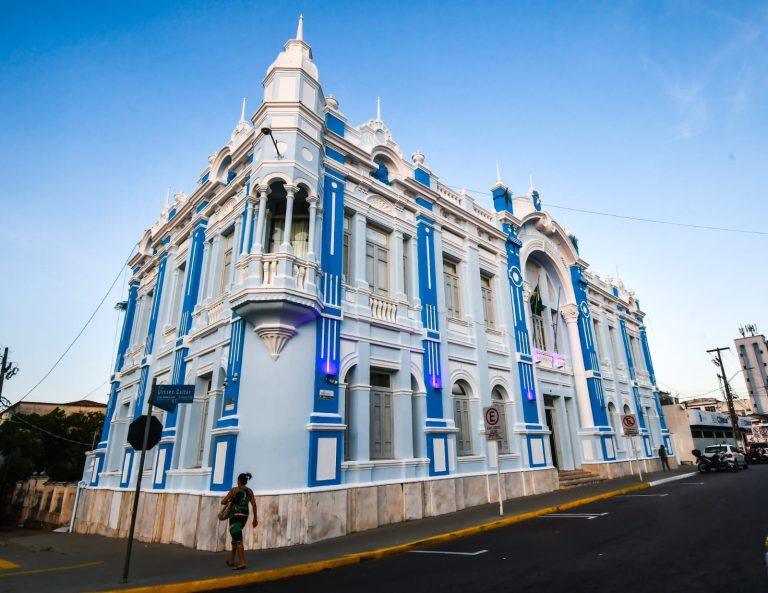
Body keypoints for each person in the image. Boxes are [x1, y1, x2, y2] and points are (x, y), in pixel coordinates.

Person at [221, 472, 257, 570]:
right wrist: (255, 518)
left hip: (235, 516)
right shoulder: (250, 491)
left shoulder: (234, 490)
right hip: (244, 516)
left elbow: (223, 501)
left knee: (238, 539)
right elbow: (254, 505)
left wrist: (231, 499)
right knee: (235, 538)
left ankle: (242, 562)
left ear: (239, 481)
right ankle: (231, 560)